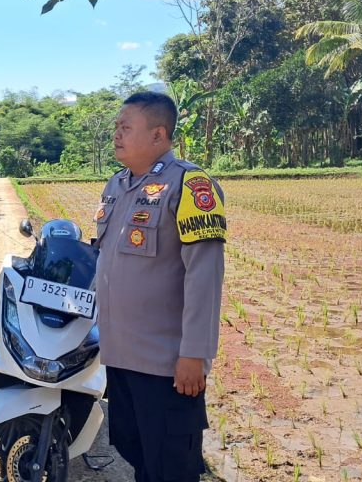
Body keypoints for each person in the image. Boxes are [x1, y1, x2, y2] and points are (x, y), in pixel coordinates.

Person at [94, 91, 226, 482]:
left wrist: (194, 355)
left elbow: (204, 276)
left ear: (158, 135)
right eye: (116, 127)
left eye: (126, 127)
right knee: (138, 456)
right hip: (120, 358)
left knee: (172, 466)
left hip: (166, 365)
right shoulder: (117, 185)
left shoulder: (189, 185)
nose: (116, 134)